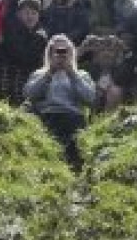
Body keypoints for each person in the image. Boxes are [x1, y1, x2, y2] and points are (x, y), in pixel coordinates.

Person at [25, 34, 96, 169]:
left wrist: (72, 74)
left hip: (73, 118)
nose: (61, 54)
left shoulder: (82, 75)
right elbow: (30, 94)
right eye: (57, 51)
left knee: (73, 146)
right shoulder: (39, 73)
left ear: (71, 53)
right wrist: (49, 73)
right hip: (46, 116)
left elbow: (90, 98)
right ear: (50, 53)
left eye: (65, 51)